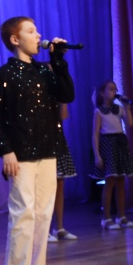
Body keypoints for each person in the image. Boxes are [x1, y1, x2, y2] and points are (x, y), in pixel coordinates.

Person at [0, 17, 75, 265]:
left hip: (47, 150)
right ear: (15, 39)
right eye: (31, 31)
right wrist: (5, 150)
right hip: (20, 154)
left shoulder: (44, 71)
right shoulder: (5, 74)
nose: (38, 35)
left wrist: (58, 60)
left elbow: (67, 94)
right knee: (23, 213)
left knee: (43, 214)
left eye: (37, 31)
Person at [89, 80, 133, 230]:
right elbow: (95, 134)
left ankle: (121, 217)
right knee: (109, 181)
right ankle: (106, 218)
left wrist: (127, 107)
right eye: (110, 89)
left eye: (115, 89)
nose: (114, 92)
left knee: (121, 181)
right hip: (107, 144)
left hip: (120, 144)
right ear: (102, 93)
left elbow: (130, 123)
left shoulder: (119, 109)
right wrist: (97, 155)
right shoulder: (99, 111)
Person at [48, 103, 78, 242]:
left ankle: (59, 228)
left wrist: (63, 100)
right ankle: (43, 230)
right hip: (42, 141)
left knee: (60, 184)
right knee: (44, 189)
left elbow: (63, 115)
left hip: (57, 139)